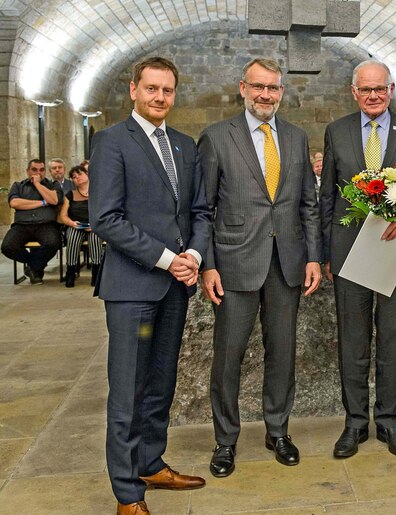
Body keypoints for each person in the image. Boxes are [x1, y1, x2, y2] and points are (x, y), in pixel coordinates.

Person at [90, 56, 211, 515]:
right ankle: (127, 493)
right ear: (134, 91)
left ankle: (150, 463)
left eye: (168, 90)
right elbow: (105, 218)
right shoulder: (111, 142)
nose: (160, 97)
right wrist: (168, 261)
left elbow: (199, 212)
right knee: (127, 391)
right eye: (152, 89)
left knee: (161, 383)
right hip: (132, 289)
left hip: (174, 288)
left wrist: (195, 257)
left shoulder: (183, 144)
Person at [199, 57, 321, 478]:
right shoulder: (217, 137)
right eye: (258, 87)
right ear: (243, 88)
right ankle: (226, 441)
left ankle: (278, 431)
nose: (266, 94)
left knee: (282, 353)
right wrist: (207, 265)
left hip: (286, 264)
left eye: (273, 88)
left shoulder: (296, 137)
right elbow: (204, 208)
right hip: (233, 265)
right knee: (228, 357)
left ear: (282, 92)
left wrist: (313, 257)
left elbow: (308, 203)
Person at [320, 59, 396, 459]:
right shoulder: (336, 132)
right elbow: (326, 198)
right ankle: (354, 423)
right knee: (352, 342)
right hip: (349, 254)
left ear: (391, 90)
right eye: (365, 90)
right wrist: (322, 255)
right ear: (354, 92)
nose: (373, 96)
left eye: (380, 89)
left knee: (393, 340)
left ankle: (389, 421)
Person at [1, 158, 63, 284]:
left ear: (45, 171)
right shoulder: (18, 186)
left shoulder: (53, 185)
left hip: (46, 225)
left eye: (41, 170)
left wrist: (38, 184)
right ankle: (35, 267)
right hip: (22, 225)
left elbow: (54, 200)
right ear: (28, 171)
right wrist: (43, 202)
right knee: (7, 247)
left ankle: (33, 268)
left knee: (53, 243)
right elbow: (15, 203)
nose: (38, 173)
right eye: (34, 169)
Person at [58, 164, 103, 287]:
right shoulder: (70, 195)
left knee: (95, 238)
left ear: (87, 175)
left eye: (80, 174)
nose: (77, 177)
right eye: (74, 176)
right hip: (76, 225)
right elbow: (63, 216)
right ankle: (71, 272)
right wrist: (72, 223)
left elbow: (105, 212)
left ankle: (96, 274)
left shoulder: (98, 193)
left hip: (94, 225)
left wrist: (95, 224)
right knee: (72, 238)